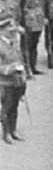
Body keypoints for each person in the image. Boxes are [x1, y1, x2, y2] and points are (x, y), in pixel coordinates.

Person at [0, 16, 27, 144]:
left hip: (17, 80)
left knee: (15, 106)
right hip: (4, 82)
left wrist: (23, 73)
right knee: (6, 107)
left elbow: (19, 57)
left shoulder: (13, 42)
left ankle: (13, 130)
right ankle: (6, 134)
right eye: (9, 28)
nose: (12, 31)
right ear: (2, 30)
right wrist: (11, 69)